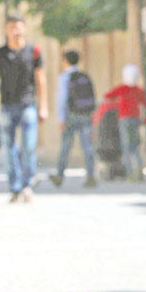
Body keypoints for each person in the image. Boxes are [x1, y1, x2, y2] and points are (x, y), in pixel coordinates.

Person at [0, 12, 48, 202]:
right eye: (11, 27)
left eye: (18, 26)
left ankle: (27, 185)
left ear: (24, 28)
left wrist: (43, 106)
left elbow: (41, 80)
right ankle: (15, 188)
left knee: (29, 147)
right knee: (9, 148)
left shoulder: (34, 51)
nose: (15, 30)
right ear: (6, 30)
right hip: (6, 107)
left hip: (28, 106)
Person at [49, 50, 97, 188]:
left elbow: (61, 99)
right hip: (85, 115)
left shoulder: (65, 77)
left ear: (65, 61)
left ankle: (59, 175)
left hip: (70, 116)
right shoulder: (85, 76)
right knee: (87, 147)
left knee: (65, 147)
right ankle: (90, 176)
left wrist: (61, 119)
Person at [104, 64, 146, 181]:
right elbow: (145, 103)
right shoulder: (139, 90)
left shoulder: (122, 88)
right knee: (134, 145)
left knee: (126, 145)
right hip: (135, 119)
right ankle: (139, 169)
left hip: (124, 119)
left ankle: (130, 173)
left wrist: (118, 102)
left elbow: (107, 96)